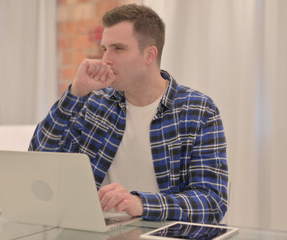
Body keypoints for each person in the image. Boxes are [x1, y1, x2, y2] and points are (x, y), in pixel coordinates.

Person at [29, 3, 228, 224]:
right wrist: (76, 92)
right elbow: (39, 161)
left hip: (163, 235)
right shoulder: (95, 103)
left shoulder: (198, 110)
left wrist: (141, 204)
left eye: (118, 49)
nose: (106, 59)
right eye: (105, 49)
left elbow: (212, 203)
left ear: (149, 55)